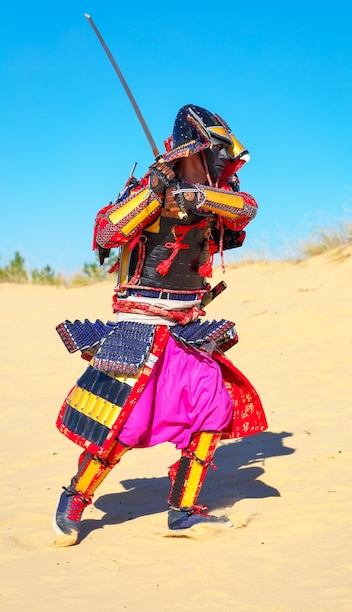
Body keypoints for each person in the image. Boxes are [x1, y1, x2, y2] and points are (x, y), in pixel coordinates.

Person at [52, 104, 267, 547]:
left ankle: (182, 511)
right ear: (196, 150)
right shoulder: (147, 188)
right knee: (121, 424)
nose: (225, 163)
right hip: (139, 326)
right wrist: (155, 193)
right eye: (217, 153)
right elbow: (107, 232)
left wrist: (195, 197)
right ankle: (73, 501)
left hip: (186, 329)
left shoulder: (218, 196)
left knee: (213, 406)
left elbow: (246, 210)